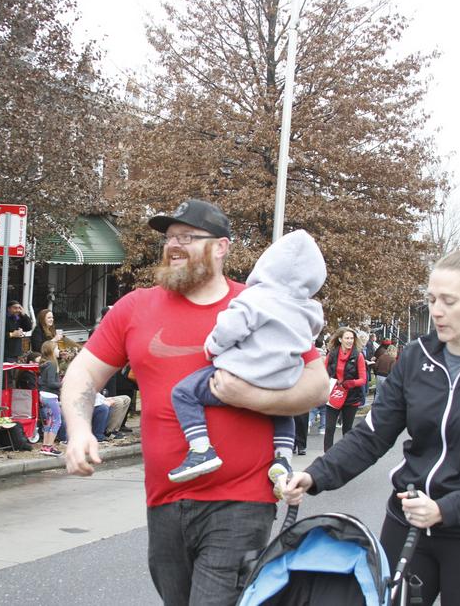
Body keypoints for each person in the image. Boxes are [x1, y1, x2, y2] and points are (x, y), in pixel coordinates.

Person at [60, 199, 327, 605]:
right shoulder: (136, 307)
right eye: (170, 238)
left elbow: (318, 386)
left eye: (188, 237)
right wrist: (79, 431)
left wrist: (250, 397)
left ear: (221, 247)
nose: (174, 245)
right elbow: (82, 374)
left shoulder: (259, 303)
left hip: (241, 500)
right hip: (165, 498)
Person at [280, 238, 460, 606]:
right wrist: (315, 475)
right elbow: (373, 435)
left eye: (449, 301)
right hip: (408, 518)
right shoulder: (416, 357)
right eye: (433, 299)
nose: (437, 310)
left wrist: (445, 510)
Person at [166, 229, 325, 494]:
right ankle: (283, 457)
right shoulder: (309, 308)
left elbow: (231, 327)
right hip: (284, 378)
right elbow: (311, 336)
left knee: (184, 392)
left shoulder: (255, 297)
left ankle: (201, 448)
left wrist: (213, 348)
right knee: (283, 410)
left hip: (242, 373)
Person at [323, 327, 367, 452]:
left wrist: (350, 383)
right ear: (340, 339)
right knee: (329, 428)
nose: (350, 341)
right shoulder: (332, 354)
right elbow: (323, 372)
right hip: (334, 394)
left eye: (352, 338)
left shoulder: (358, 356)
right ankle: (328, 456)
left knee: (347, 429)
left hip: (351, 397)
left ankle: (346, 457)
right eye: (347, 338)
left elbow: (363, 379)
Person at [37, 341, 63, 455]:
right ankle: (49, 446)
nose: (59, 351)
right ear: (52, 351)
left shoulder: (45, 364)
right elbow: (51, 383)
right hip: (50, 396)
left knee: (49, 421)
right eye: (57, 348)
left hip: (43, 395)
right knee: (57, 421)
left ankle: (45, 446)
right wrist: (62, 384)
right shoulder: (52, 364)